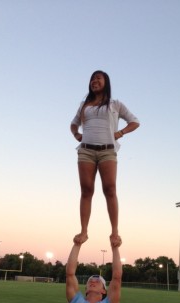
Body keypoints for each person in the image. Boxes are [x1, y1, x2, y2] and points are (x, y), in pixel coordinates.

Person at [71, 70, 140, 247]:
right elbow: (73, 123)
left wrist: (121, 132)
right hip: (86, 151)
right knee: (86, 190)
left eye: (98, 78)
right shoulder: (84, 105)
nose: (94, 81)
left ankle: (115, 232)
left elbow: (135, 121)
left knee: (110, 189)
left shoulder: (115, 104)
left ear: (106, 82)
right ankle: (84, 231)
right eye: (92, 78)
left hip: (107, 151)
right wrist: (76, 134)